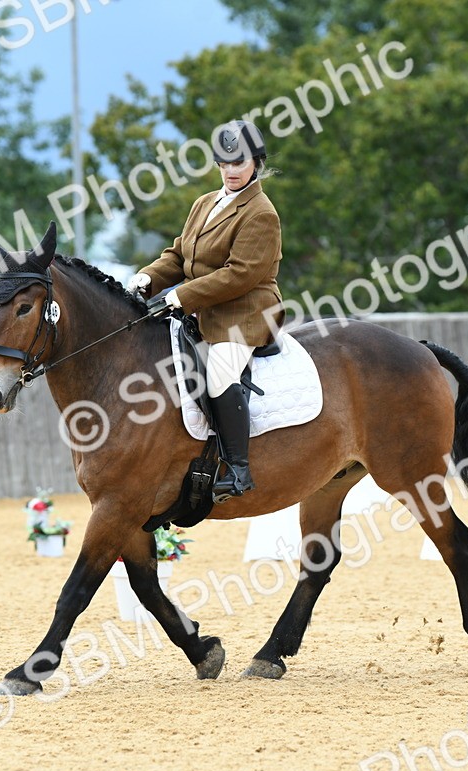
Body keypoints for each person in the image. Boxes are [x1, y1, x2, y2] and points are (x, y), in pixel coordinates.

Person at [127, 119, 283, 501]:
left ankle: (238, 469)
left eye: (239, 163)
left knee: (219, 373)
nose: (230, 171)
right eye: (224, 164)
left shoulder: (261, 213)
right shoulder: (204, 203)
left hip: (247, 312)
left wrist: (181, 297)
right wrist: (145, 279)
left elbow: (240, 275)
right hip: (204, 310)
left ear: (256, 163)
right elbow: (180, 256)